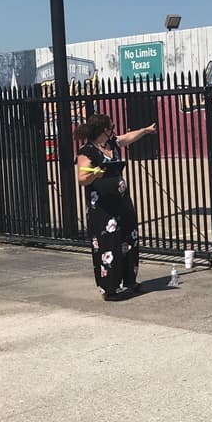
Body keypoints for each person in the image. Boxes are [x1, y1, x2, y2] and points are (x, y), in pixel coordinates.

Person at [75, 113, 157, 300]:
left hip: (122, 202)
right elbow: (81, 179)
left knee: (129, 238)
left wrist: (145, 130)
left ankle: (129, 280)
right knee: (108, 244)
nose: (113, 130)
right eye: (111, 127)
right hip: (103, 207)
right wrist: (95, 174)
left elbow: (127, 138)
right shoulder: (87, 151)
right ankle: (109, 288)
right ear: (103, 130)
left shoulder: (111, 143)